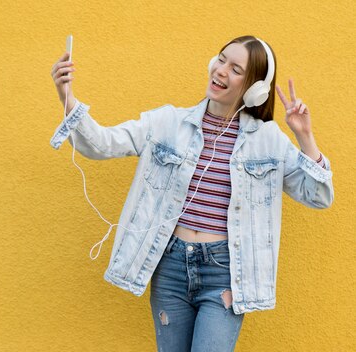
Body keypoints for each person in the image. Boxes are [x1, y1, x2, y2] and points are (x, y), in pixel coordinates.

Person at [48, 35, 334, 351]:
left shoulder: (269, 140)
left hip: (225, 273)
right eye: (221, 59)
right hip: (170, 266)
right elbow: (101, 143)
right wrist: (67, 97)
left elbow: (318, 196)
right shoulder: (166, 122)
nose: (221, 70)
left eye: (236, 68)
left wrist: (305, 137)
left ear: (254, 90)